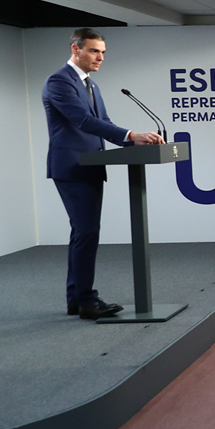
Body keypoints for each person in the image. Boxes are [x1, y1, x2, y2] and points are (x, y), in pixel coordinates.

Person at [43, 28, 164, 319]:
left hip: (92, 165)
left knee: (83, 233)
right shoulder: (59, 81)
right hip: (71, 167)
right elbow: (82, 120)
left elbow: (104, 122)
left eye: (103, 52)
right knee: (87, 232)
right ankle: (86, 300)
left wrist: (133, 139)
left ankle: (76, 299)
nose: (100, 57)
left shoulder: (91, 86)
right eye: (95, 51)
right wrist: (133, 134)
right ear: (76, 49)